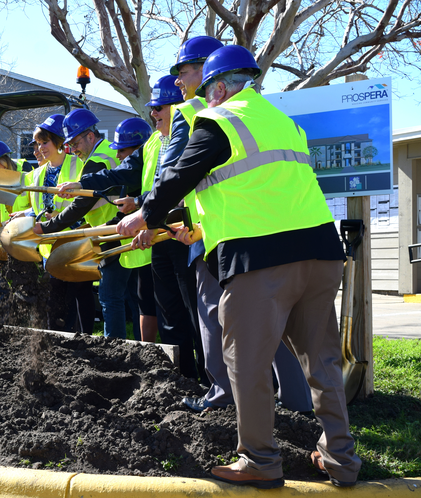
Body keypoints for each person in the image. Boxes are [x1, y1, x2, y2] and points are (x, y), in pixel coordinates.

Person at [118, 44, 360, 489]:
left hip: (260, 260)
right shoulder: (281, 122)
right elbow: (253, 187)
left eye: (207, 89)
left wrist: (143, 216)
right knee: (322, 360)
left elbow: (179, 175)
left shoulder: (221, 119)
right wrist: (189, 225)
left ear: (221, 87)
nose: (204, 98)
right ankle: (341, 459)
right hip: (321, 253)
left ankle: (260, 460)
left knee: (245, 362)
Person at [153, 36, 312, 415]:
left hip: (215, 231)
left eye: (186, 70)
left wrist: (149, 215)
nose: (178, 80)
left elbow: (172, 176)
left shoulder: (195, 113)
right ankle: (296, 404)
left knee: (214, 315)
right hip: (266, 231)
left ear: (213, 70)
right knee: (275, 321)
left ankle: (226, 397)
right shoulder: (266, 115)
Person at [57, 116, 154, 341]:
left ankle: (118, 347)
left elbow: (86, 203)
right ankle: (138, 347)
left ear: (90, 136)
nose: (118, 156)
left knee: (114, 297)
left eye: (76, 143)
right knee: (137, 299)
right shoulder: (109, 159)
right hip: (122, 234)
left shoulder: (101, 159)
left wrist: (103, 230)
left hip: (126, 239)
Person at [34, 108, 126, 338]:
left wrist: (47, 226)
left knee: (109, 298)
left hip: (111, 234)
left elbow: (82, 206)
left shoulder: (96, 160)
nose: (73, 149)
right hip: (110, 232)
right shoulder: (105, 153)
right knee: (123, 297)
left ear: (90, 136)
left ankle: (113, 350)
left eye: (74, 143)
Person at [12, 115, 94, 333]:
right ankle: (58, 341)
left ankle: (86, 340)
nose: (40, 148)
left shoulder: (79, 164)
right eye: (38, 144)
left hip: (76, 242)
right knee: (55, 299)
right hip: (50, 245)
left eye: (44, 142)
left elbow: (87, 203)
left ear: (59, 141)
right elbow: (41, 207)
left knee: (80, 293)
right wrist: (26, 213)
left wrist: (62, 215)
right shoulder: (37, 174)